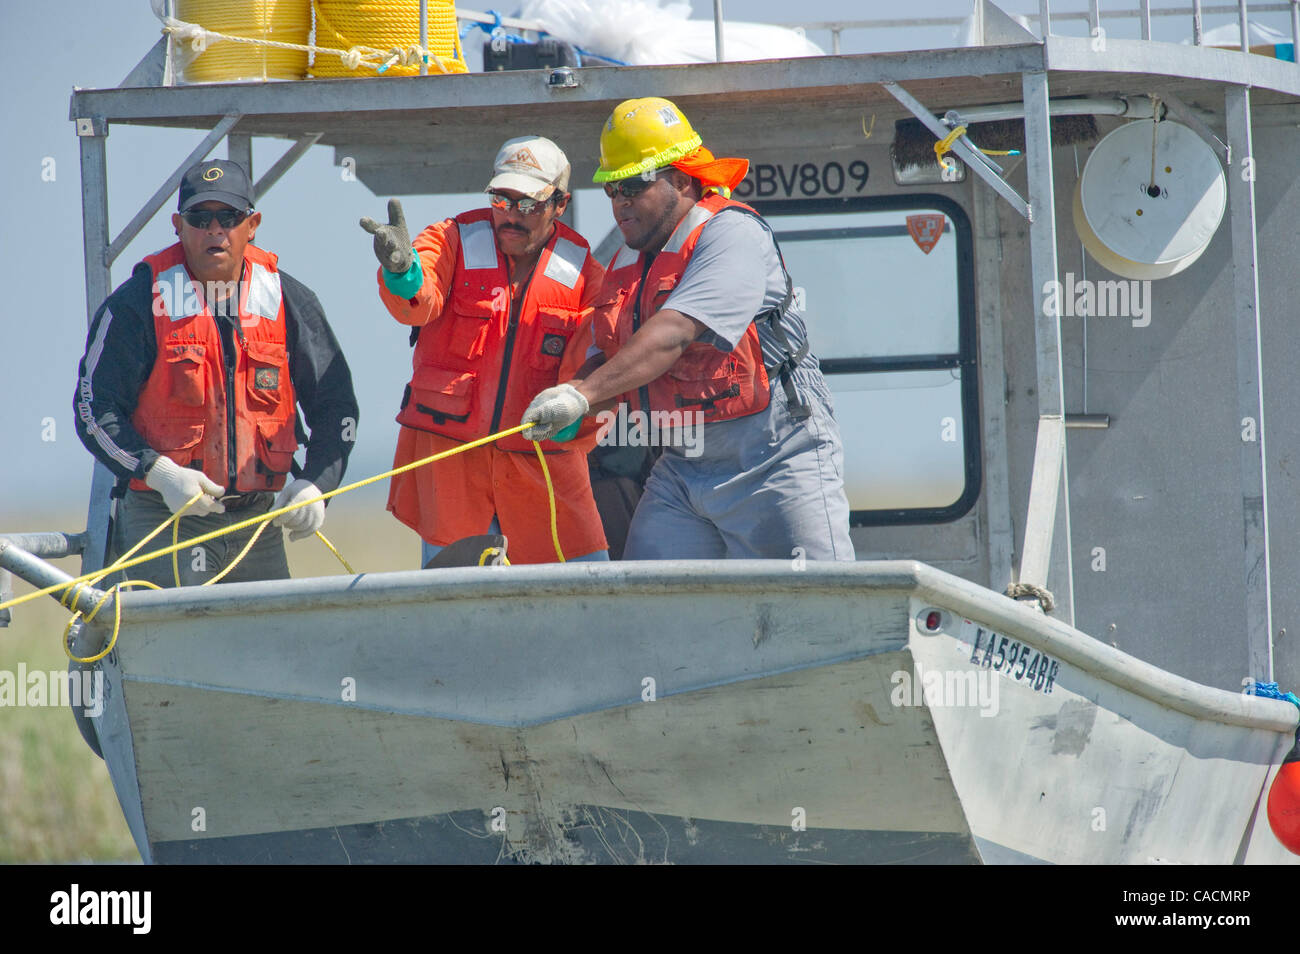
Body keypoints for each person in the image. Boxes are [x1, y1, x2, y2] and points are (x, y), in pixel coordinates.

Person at [522, 98, 855, 562]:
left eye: (633, 186)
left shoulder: (731, 235)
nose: (620, 202)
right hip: (681, 466)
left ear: (680, 180)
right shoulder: (626, 261)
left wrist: (581, 394)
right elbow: (610, 358)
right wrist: (570, 399)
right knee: (653, 608)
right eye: (611, 190)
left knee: (812, 611)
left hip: (775, 456)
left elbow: (674, 333)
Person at [74, 159, 359, 586]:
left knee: (269, 649)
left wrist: (317, 485)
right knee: (177, 648)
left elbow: (336, 406)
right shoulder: (137, 303)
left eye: (229, 217)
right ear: (178, 225)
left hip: (258, 527)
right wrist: (161, 474)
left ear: (253, 223)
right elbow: (93, 410)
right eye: (199, 218)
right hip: (163, 521)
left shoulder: (289, 300)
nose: (214, 230)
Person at [360, 136, 608, 565]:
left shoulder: (586, 273)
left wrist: (571, 423)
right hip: (451, 474)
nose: (511, 216)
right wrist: (401, 271)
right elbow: (419, 301)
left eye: (527, 204)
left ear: (560, 204)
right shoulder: (451, 238)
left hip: (543, 477)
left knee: (582, 604)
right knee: (457, 612)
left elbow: (601, 366)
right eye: (501, 199)